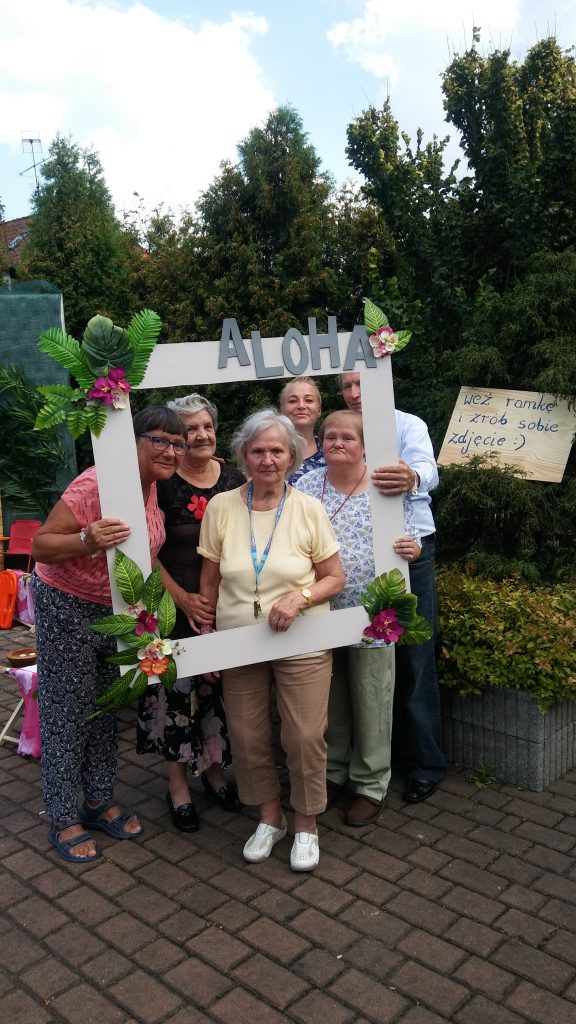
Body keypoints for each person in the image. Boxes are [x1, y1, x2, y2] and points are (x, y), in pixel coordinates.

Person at [31, 406, 189, 862]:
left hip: (118, 609)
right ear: (131, 440)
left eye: (177, 444)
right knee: (68, 709)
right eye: (159, 440)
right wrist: (86, 539)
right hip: (66, 603)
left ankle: (98, 800)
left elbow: (146, 554)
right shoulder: (95, 484)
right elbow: (42, 545)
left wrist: (176, 602)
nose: (170, 451)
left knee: (106, 704)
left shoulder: (154, 487)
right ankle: (64, 815)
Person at [198, 409, 344, 871]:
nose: (267, 460)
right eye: (258, 450)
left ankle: (306, 824)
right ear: (243, 455)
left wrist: (300, 597)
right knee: (247, 735)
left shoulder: (308, 508)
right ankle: (269, 817)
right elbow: (209, 582)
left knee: (304, 735)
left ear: (292, 456)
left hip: (301, 638)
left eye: (277, 451)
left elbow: (334, 578)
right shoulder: (221, 507)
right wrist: (207, 642)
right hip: (238, 640)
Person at [295, 411, 421, 825]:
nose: (337, 442)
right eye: (330, 436)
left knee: (372, 697)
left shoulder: (384, 486)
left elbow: (412, 538)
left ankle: (370, 782)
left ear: (364, 445)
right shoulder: (307, 486)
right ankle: (333, 772)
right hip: (319, 610)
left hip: (374, 613)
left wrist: (413, 549)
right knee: (329, 697)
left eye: (347, 437)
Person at [137, 393, 245, 832]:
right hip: (173, 605)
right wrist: (183, 598)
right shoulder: (161, 482)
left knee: (218, 693)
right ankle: (178, 786)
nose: (200, 435)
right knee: (176, 695)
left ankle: (215, 773)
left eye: (206, 426)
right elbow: (143, 550)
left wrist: (217, 605)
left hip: (225, 604)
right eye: (189, 430)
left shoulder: (235, 478)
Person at [340, 372, 446, 802]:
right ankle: (371, 758)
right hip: (357, 559)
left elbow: (428, 470)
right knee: (364, 657)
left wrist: (412, 477)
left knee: (415, 655)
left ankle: (425, 763)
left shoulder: (407, 424)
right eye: (346, 386)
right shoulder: (340, 430)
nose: (354, 393)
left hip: (409, 553)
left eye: (360, 383)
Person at [279, 376, 326, 484]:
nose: (301, 406)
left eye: (308, 400)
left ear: (319, 410)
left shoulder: (332, 451)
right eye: (292, 401)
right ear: (282, 410)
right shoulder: (266, 452)